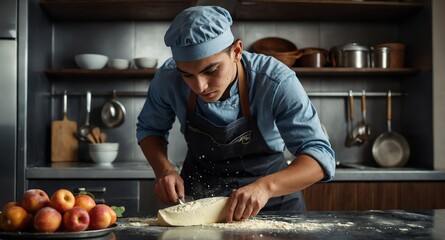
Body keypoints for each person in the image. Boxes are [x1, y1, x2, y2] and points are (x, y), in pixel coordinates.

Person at [136, 5, 335, 223]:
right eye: (187, 75)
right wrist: (164, 170)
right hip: (200, 203)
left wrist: (265, 187)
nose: (200, 86)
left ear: (237, 52)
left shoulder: (275, 81)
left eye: (210, 70)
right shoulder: (168, 78)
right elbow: (150, 129)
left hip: (273, 203)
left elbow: (320, 156)